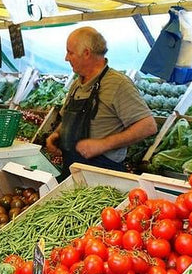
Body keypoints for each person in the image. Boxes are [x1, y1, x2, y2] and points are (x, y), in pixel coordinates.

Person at [46, 27, 157, 179]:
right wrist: (57, 134)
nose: (66, 58)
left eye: (70, 52)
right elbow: (67, 118)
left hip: (103, 174)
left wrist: (104, 144)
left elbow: (148, 126)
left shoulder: (118, 84)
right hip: (72, 170)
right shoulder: (77, 84)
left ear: (86, 53)